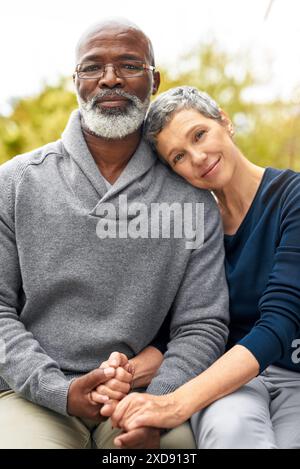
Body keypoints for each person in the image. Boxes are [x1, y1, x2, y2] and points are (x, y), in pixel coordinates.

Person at [0, 22, 229, 449]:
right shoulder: (14, 185)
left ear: (154, 80)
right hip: (33, 396)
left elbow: (203, 324)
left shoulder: (194, 200)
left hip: (144, 394)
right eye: (93, 68)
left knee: (173, 455)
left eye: (128, 64)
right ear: (76, 83)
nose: (110, 78)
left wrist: (157, 405)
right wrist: (60, 391)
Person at [111, 86, 300, 449]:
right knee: (231, 433)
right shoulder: (194, 225)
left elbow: (279, 323)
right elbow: (183, 332)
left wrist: (173, 404)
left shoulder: (291, 198)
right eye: (178, 156)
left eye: (200, 134)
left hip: (294, 374)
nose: (197, 157)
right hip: (230, 381)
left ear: (224, 122)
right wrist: (125, 373)